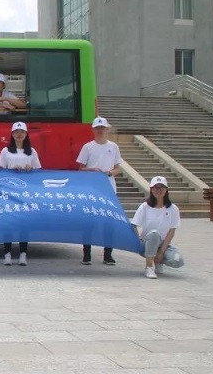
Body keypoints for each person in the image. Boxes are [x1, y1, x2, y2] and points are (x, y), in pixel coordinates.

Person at [77, 116, 122, 265]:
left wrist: (110, 173)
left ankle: (108, 254)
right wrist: (92, 170)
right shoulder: (88, 147)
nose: (100, 130)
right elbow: (81, 168)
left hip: (108, 188)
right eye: (97, 128)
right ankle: (87, 253)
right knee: (88, 222)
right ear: (93, 130)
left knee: (109, 222)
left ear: (107, 129)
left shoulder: (113, 147)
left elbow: (118, 168)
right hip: (91, 188)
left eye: (102, 128)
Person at [0, 122, 42, 266]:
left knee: (24, 224)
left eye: (22, 131)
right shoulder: (5, 151)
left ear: (26, 134)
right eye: (16, 132)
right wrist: (11, 169)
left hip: (25, 193)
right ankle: (7, 254)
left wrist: (31, 168)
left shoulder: (32, 152)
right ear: (12, 134)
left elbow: (39, 171)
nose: (19, 134)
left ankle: (23, 254)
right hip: (9, 192)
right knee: (8, 223)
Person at [132, 176, 184, 279]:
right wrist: (139, 241)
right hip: (148, 242)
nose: (158, 190)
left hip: (163, 243)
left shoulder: (173, 209)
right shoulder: (145, 207)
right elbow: (134, 225)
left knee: (177, 260)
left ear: (166, 190)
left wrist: (161, 252)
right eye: (155, 187)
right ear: (151, 190)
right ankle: (149, 266)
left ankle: (157, 261)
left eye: (161, 187)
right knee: (154, 234)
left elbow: (172, 231)